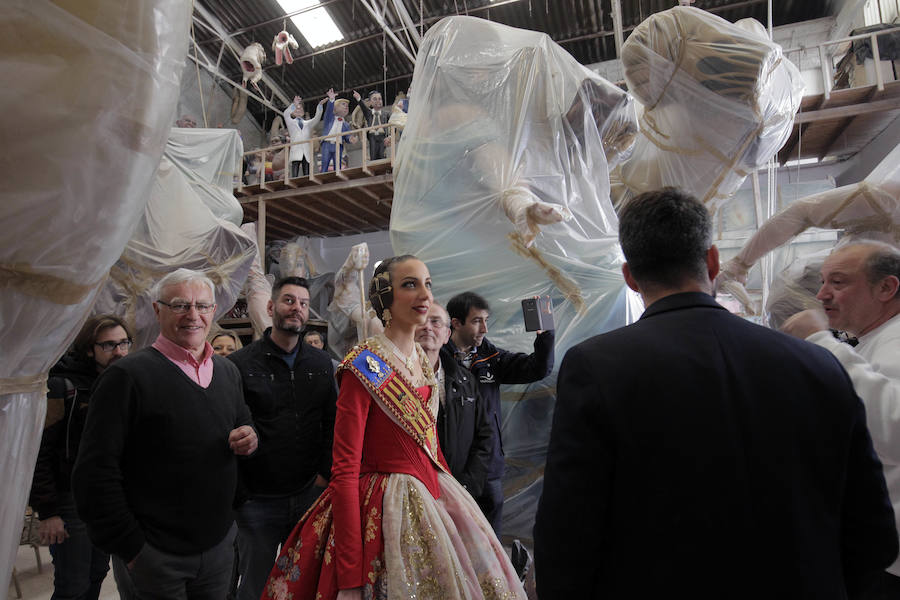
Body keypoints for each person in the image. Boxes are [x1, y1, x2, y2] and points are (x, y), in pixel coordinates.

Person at [533, 188, 898, 599]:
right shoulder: (817, 363)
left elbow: (569, 527)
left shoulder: (596, 366)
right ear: (712, 260)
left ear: (630, 277)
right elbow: (874, 535)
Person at [261, 256, 526, 600]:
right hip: (377, 509)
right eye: (410, 284)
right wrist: (350, 575)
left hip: (434, 496)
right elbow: (344, 470)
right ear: (385, 296)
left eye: (428, 284)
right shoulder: (363, 366)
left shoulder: (422, 360)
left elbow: (430, 448)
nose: (424, 294)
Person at [73, 269, 258, 600]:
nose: (193, 315)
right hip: (156, 555)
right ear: (157, 311)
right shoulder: (126, 377)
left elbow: (242, 423)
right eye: (180, 305)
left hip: (217, 546)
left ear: (214, 312)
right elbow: (94, 473)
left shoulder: (228, 372)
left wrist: (249, 436)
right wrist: (132, 548)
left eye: (202, 305)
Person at [782, 240, 900, 598]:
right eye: (823, 282)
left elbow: (893, 424)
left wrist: (820, 340)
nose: (821, 295)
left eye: (838, 282)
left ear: (886, 287)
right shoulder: (870, 340)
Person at [227, 276, 337, 600]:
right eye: (289, 301)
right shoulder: (240, 365)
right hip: (257, 501)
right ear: (272, 307)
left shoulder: (321, 364)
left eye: (303, 303)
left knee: (302, 583)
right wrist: (241, 494)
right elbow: (231, 428)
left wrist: (324, 475)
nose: (297, 309)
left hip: (307, 493)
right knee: (255, 585)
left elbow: (332, 423)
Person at [29, 315, 132, 600]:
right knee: (72, 583)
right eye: (109, 345)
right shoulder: (62, 386)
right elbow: (40, 451)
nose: (119, 351)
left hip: (106, 496)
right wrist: (48, 511)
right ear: (90, 348)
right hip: (69, 498)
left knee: (97, 573)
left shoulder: (123, 380)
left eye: (124, 343)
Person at [445, 291, 554, 534]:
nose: (484, 328)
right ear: (456, 323)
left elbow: (537, 368)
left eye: (486, 320)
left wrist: (544, 332)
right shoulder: (438, 359)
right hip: (453, 468)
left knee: (490, 542)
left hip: (488, 468)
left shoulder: (491, 357)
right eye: (476, 321)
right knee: (457, 539)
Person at [414, 302, 493, 496]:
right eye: (422, 321)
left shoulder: (466, 381)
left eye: (436, 322)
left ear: (447, 335)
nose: (427, 327)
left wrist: (467, 485)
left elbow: (484, 436)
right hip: (412, 492)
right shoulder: (393, 379)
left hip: (459, 491)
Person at [282, 95, 326, 177]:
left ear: (303, 111)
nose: (299, 110)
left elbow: (316, 118)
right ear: (293, 112)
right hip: (296, 150)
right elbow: (285, 114)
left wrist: (319, 106)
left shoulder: (307, 123)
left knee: (307, 172)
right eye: (296, 109)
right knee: (295, 172)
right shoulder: (291, 122)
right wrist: (294, 104)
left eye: (300, 108)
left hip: (306, 150)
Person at [320, 88, 358, 173]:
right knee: (325, 161)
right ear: (335, 109)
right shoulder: (329, 118)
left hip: (338, 144)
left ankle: (337, 175)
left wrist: (350, 139)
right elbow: (329, 110)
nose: (346, 106)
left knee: (338, 163)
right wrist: (331, 99)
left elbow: (346, 136)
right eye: (343, 104)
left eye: (347, 106)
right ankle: (323, 174)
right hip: (327, 142)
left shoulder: (346, 124)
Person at [353, 90, 391, 161]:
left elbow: (392, 124)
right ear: (370, 102)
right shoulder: (368, 113)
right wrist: (359, 99)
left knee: (382, 154)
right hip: (372, 136)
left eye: (379, 99)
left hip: (382, 136)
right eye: (375, 99)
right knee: (373, 154)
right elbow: (363, 107)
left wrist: (390, 136)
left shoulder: (386, 114)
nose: (378, 101)